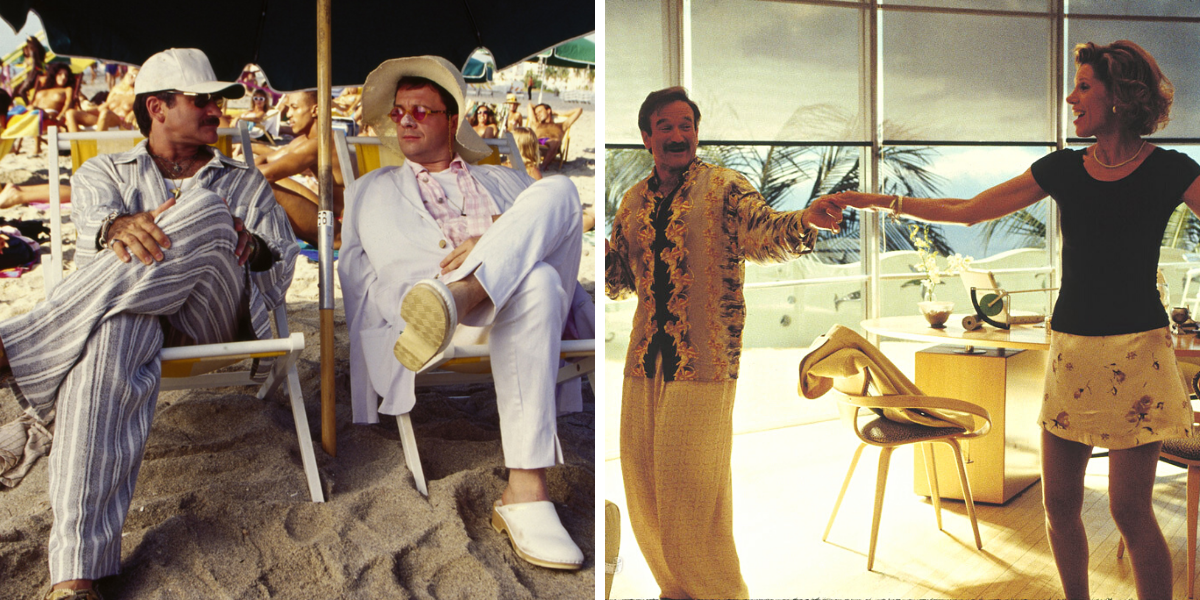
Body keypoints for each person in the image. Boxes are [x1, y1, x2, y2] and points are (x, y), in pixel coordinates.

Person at [830, 40, 1194, 600]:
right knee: (1058, 505)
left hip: (1138, 354)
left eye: (1084, 87)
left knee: (1129, 510)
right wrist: (874, 201)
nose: (1071, 97)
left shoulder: (1169, 170)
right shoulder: (1064, 169)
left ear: (1120, 96)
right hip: (1072, 350)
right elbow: (967, 210)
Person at [0, 48, 295, 600]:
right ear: (157, 107)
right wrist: (119, 225)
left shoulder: (244, 180)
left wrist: (249, 245)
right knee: (117, 329)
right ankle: (75, 577)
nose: (217, 110)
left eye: (218, 101)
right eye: (203, 100)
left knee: (206, 208)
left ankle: (17, 348)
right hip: (125, 313)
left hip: (213, 317)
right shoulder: (102, 173)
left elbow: (278, 271)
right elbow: (95, 238)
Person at [338, 55, 589, 571]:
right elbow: (376, 273)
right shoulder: (374, 189)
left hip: (483, 308)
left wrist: (488, 242)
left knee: (561, 190)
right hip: (432, 316)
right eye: (400, 111)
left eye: (421, 111)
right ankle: (525, 490)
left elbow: (549, 229)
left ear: (452, 121)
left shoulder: (504, 182)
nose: (405, 120)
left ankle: (463, 293)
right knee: (537, 278)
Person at [605, 86, 843, 599]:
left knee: (693, 496)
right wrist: (589, 246)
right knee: (644, 487)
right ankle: (675, 590)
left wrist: (806, 220)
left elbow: (765, 233)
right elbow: (620, 281)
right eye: (665, 126)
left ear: (696, 131)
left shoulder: (725, 187)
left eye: (685, 124)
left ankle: (720, 594)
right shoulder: (633, 202)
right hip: (644, 358)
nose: (677, 134)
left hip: (705, 359)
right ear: (647, 137)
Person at [239, 90, 345, 248]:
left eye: (294, 108)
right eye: (288, 108)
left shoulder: (320, 143)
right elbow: (268, 159)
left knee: (262, 185)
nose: (288, 114)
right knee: (267, 180)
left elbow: (268, 173)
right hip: (330, 213)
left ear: (315, 110)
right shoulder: (306, 140)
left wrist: (233, 176)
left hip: (341, 231)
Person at [64, 66, 138, 132]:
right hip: (104, 117)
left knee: (105, 113)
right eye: (129, 74)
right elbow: (104, 106)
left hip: (120, 121)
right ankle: (77, 144)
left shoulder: (138, 95)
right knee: (70, 113)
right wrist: (87, 111)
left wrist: (133, 113)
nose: (131, 77)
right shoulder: (116, 91)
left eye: (135, 75)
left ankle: (96, 144)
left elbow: (143, 110)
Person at [528, 102, 582, 170]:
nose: (538, 115)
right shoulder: (536, 124)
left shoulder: (562, 125)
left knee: (555, 141)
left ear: (548, 110)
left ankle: (542, 166)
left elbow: (579, 110)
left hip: (553, 145)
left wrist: (560, 114)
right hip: (538, 143)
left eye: (540, 111)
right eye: (536, 114)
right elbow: (530, 105)